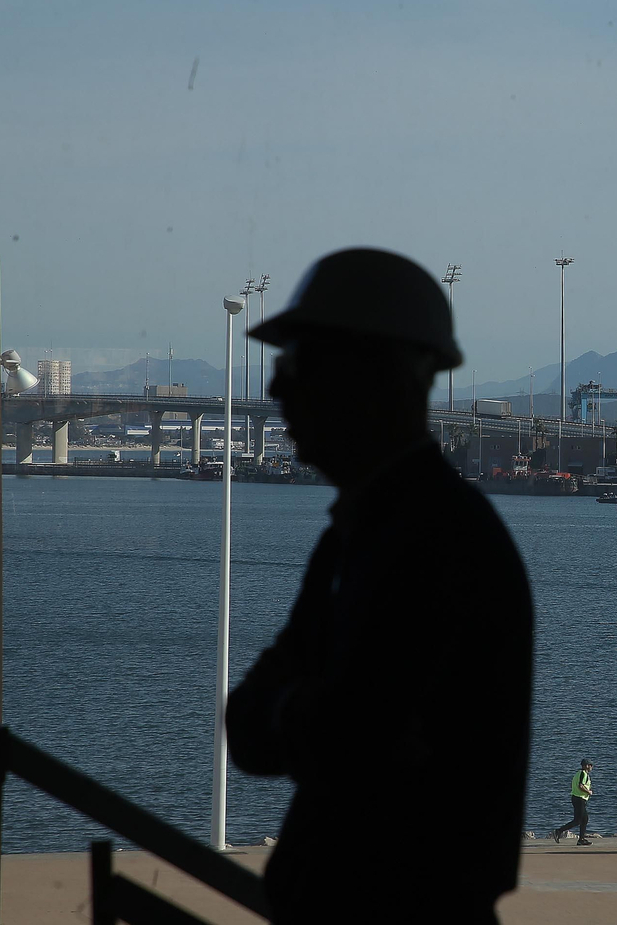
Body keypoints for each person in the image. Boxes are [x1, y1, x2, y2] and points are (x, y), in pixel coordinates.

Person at [225, 248, 534, 925]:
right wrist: (307, 716)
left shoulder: (434, 544)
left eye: (297, 364)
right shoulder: (363, 534)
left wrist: (297, 713)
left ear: (372, 377)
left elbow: (346, 734)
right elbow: (255, 724)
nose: (277, 392)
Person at [553, 759, 594, 844]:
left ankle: (581, 840)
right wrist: (588, 792)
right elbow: (580, 786)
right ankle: (559, 831)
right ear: (586, 766)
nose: (591, 767)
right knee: (578, 820)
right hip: (579, 799)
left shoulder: (578, 773)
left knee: (584, 819)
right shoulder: (584, 774)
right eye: (590, 765)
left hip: (576, 798)